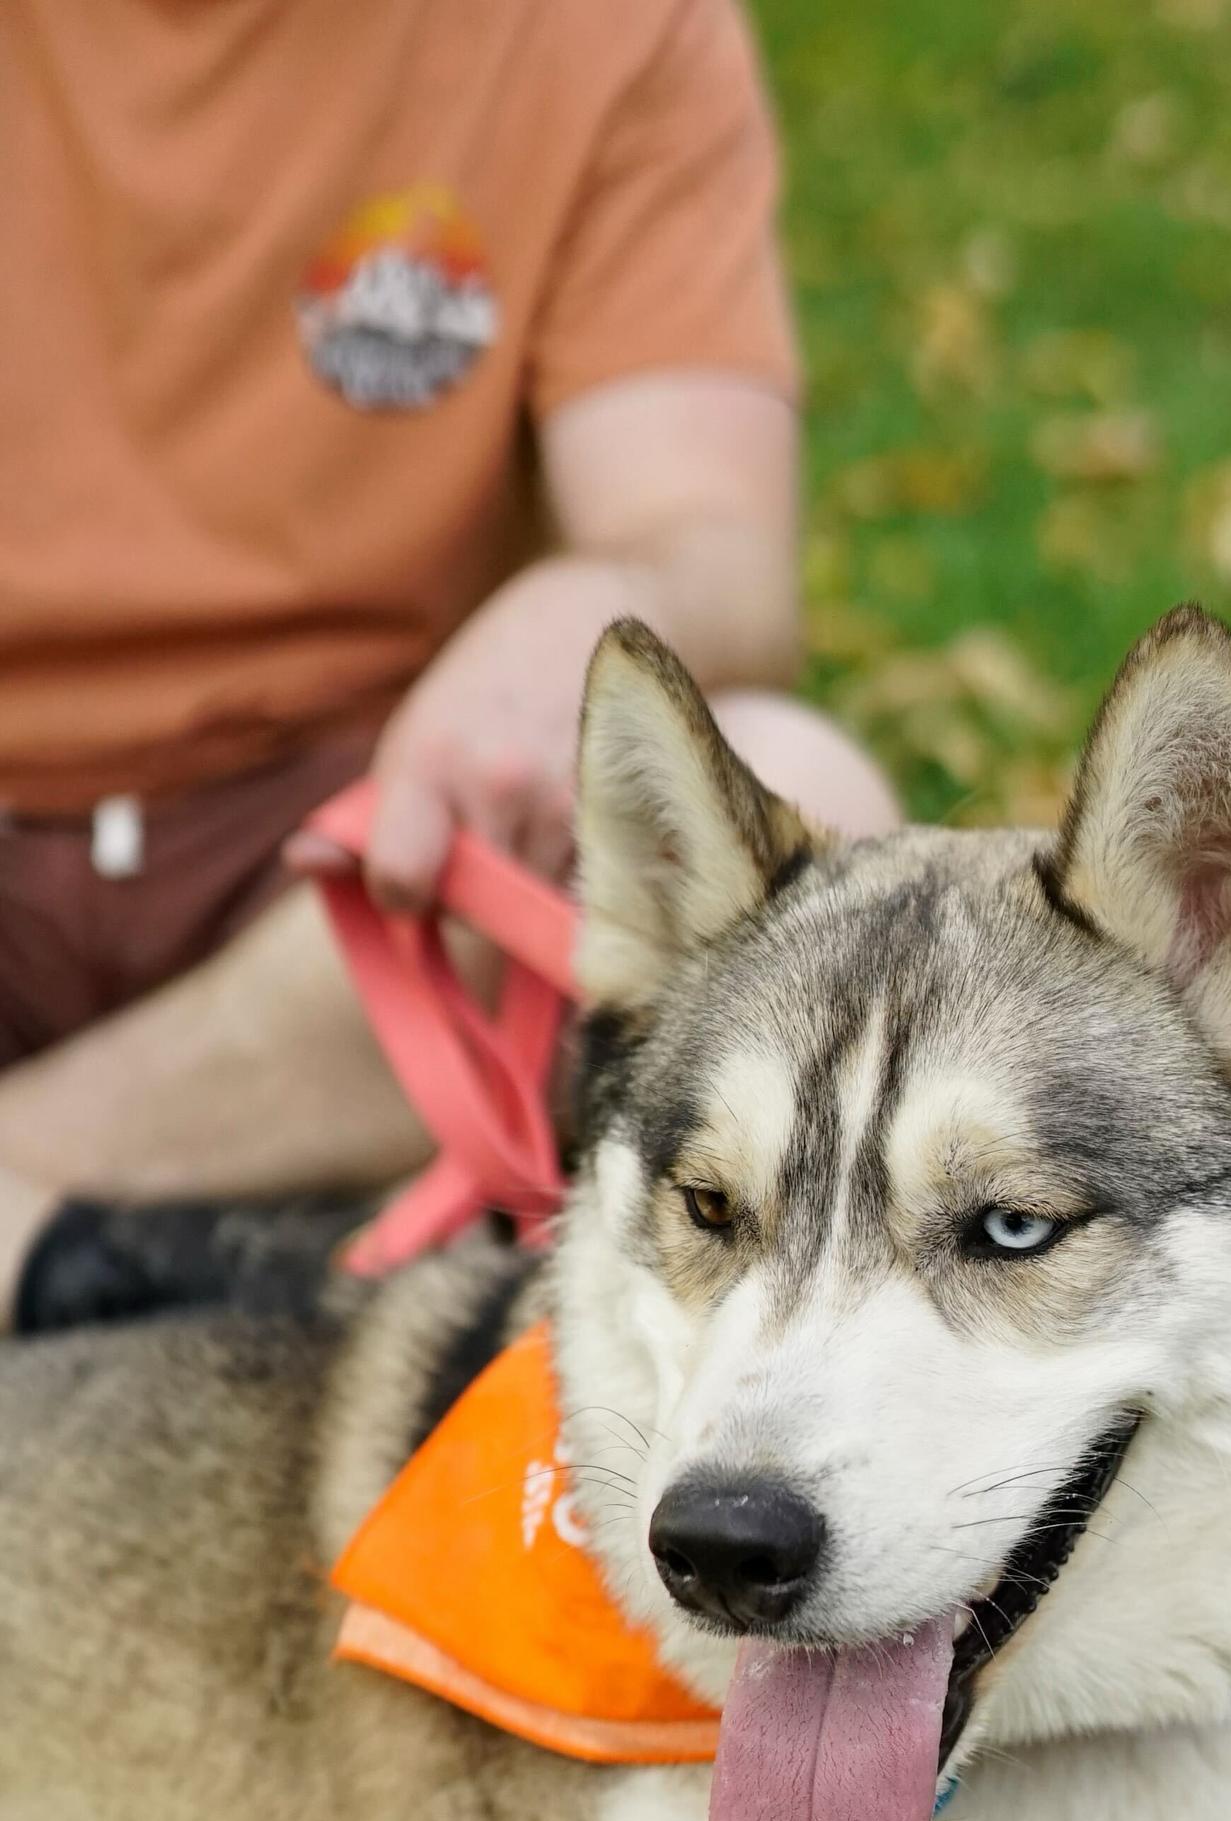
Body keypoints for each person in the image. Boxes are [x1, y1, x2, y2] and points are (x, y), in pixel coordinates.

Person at [0, 0, 897, 1331]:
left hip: (353, 862)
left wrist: (582, 616)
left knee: (798, 803)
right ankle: (178, 1265)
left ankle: (46, 1198)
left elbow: (712, 547)